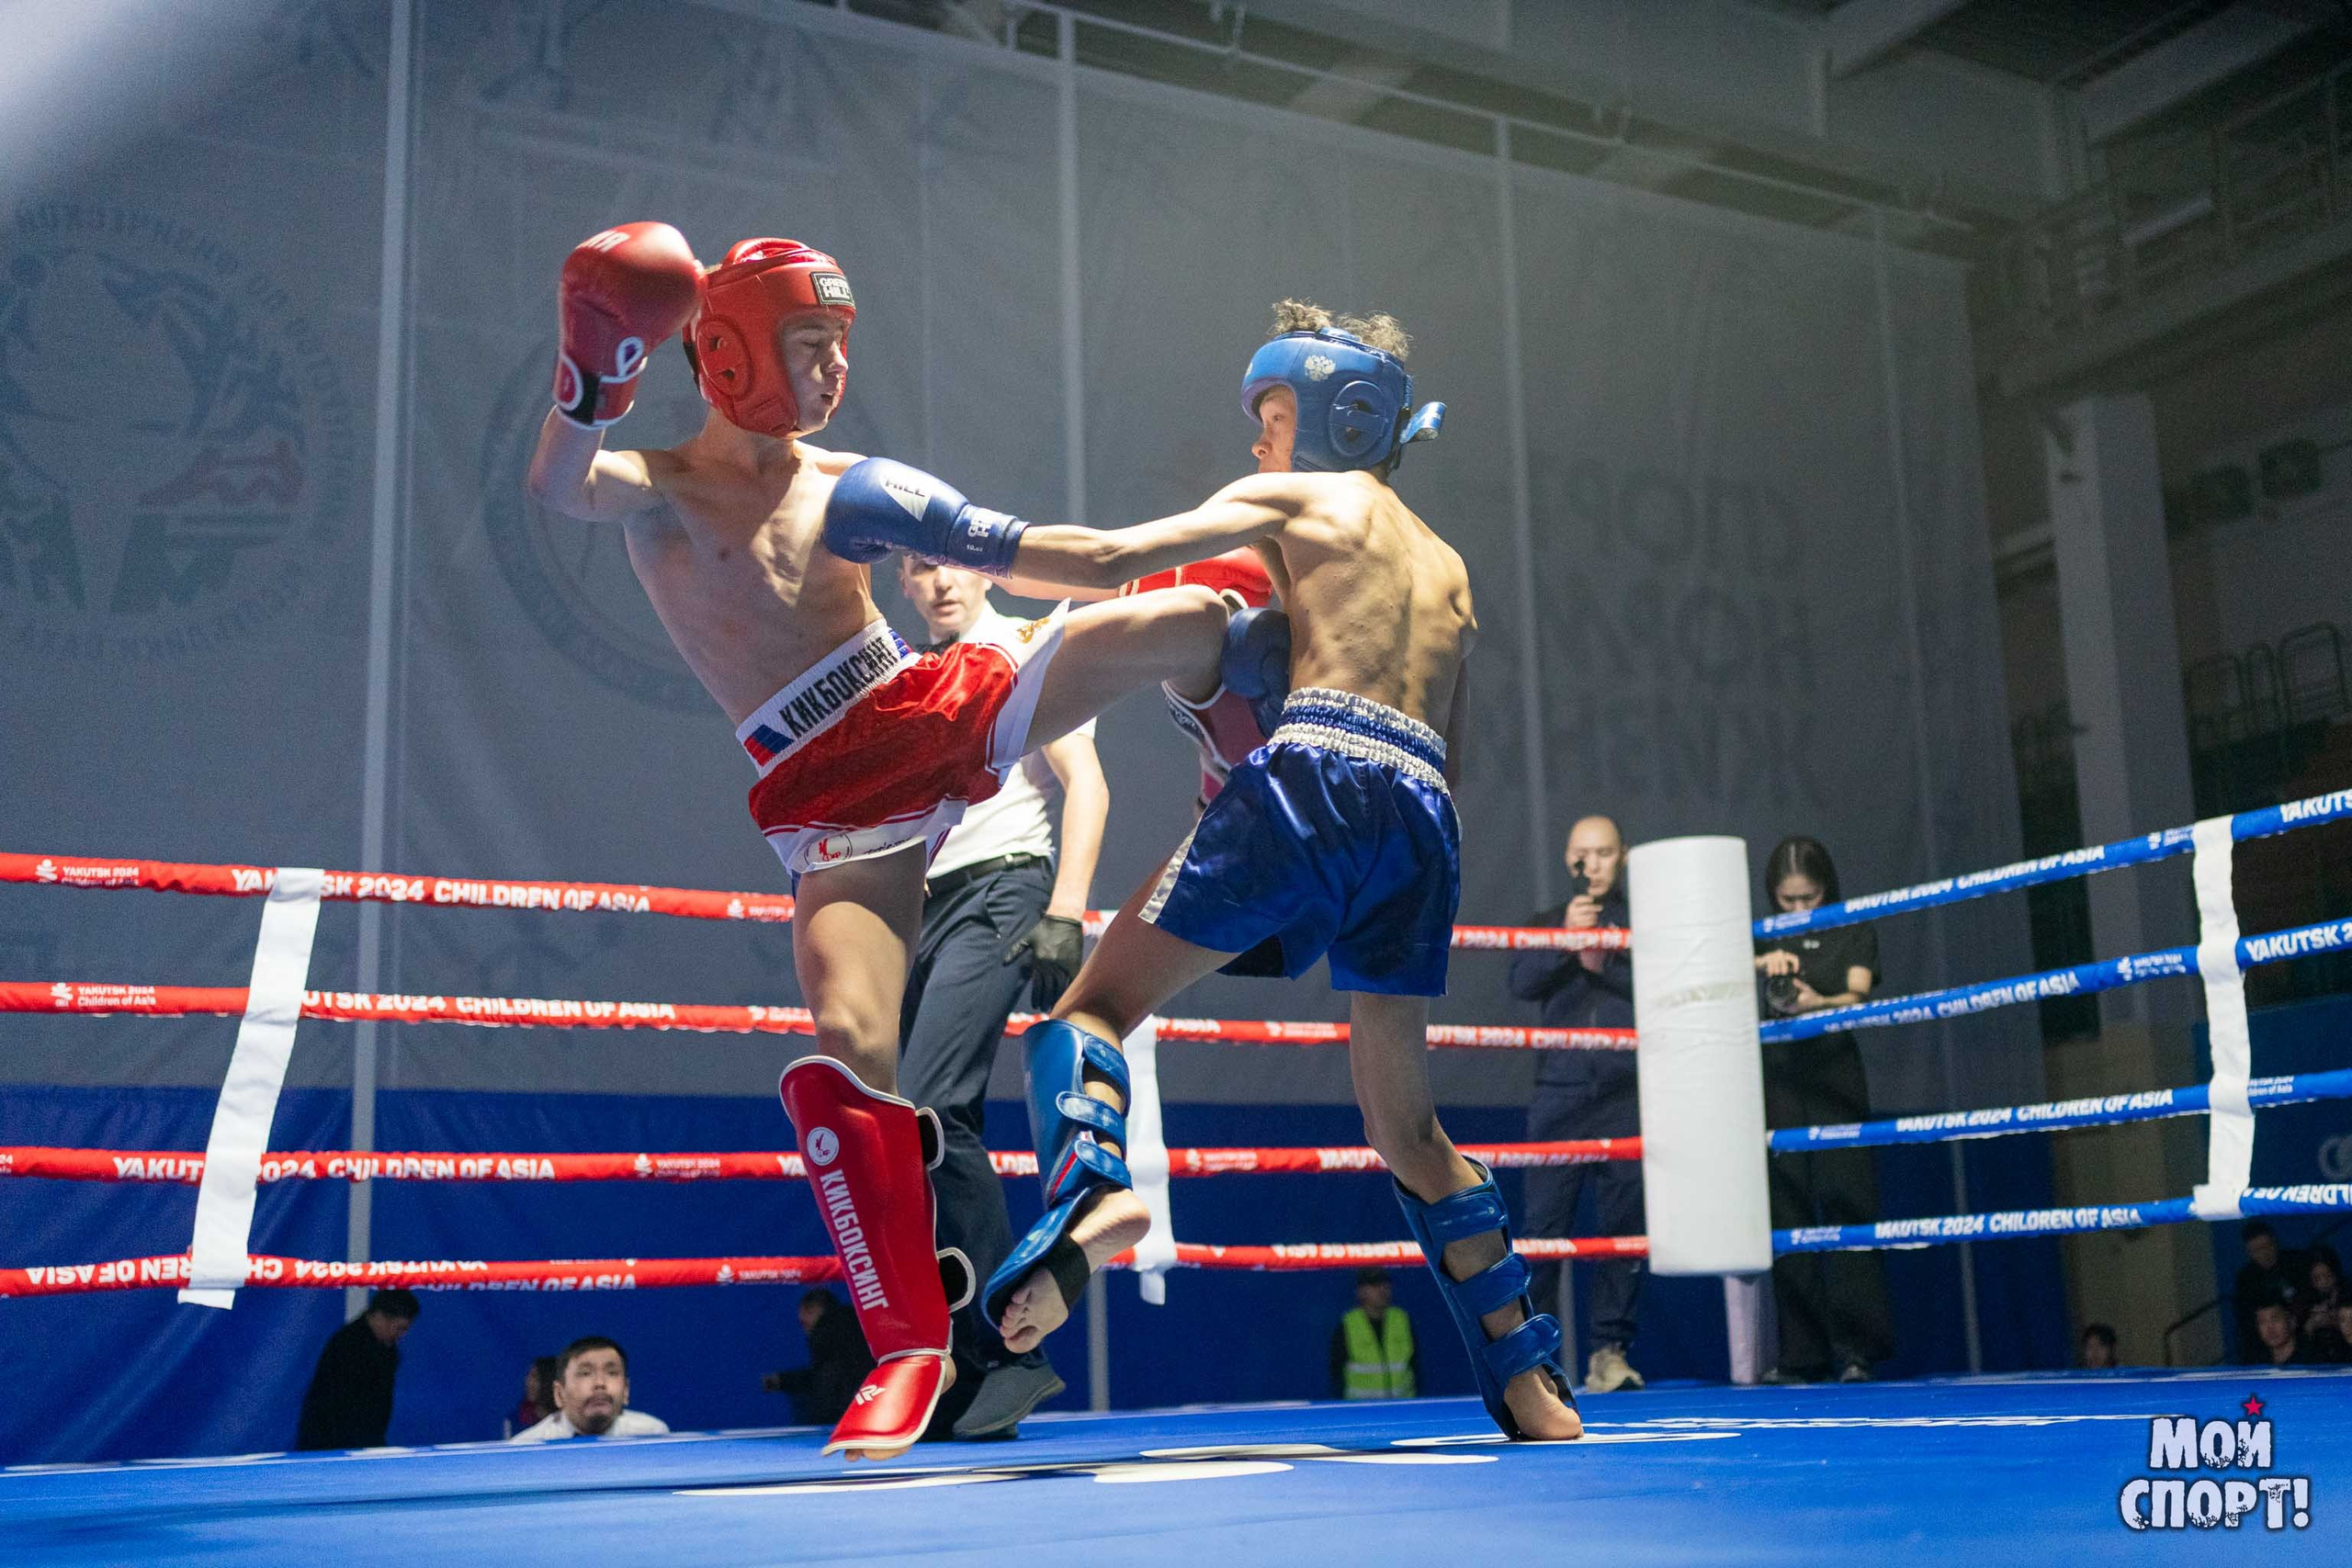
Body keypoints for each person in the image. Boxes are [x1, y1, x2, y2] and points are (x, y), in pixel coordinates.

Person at [525, 225, 1266, 1461]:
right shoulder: (656, 488)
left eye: (837, 347)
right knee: (851, 1064)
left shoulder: (850, 481)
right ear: (730, 353)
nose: (830, 372)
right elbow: (559, 482)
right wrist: (590, 367)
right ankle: (913, 1343)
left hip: (925, 707)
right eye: (808, 344)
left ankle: (1240, 745)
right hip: (824, 796)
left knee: (1195, 608)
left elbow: (1055, 558)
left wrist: (1199, 531)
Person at [822, 299, 1581, 1440]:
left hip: (1313, 768)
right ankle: (1531, 1387)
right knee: (1406, 1128)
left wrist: (955, 532)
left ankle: (1093, 1193)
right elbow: (1450, 760)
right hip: (1422, 820)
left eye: (1271, 416)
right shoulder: (1453, 567)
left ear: (1333, 414)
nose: (1258, 443)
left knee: (1088, 1015)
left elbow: (1116, 558)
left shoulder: (1304, 497)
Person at [889, 556, 1105, 1437]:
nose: (936, 580)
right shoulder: (905, 674)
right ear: (899, 581)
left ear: (981, 571)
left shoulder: (1023, 646)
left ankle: (1010, 1354)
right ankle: (961, 1365)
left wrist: (1065, 912)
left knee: (938, 1112)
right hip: (921, 903)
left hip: (1006, 884)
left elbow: (1086, 782)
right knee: (904, 1129)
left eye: (949, 562)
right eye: (915, 565)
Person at [1506, 815, 1644, 1394]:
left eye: (1605, 852)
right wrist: (1565, 938)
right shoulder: (1545, 921)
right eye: (1584, 853)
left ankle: (1609, 1353)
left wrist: (1609, 956)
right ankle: (1534, 1364)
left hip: (1624, 1095)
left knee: (1623, 1230)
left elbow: (1664, 987)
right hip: (1558, 1096)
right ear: (1569, 860)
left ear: (1622, 856)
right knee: (1543, 1233)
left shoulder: (1643, 924)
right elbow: (1519, 981)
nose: (1594, 863)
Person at [1752, 836, 1892, 1383]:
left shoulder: (1852, 925)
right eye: (1787, 900)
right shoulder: (1760, 936)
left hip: (1835, 1069)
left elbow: (1859, 999)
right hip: (1780, 1073)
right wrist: (1760, 963)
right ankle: (1801, 1356)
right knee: (1786, 1212)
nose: (1797, 910)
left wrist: (1816, 1004)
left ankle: (1860, 1349)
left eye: (1807, 898)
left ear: (1825, 888)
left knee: (1848, 1203)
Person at [292, 1289, 419, 1450]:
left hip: (362, 1440)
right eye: (400, 1328)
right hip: (333, 1442)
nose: (402, 1334)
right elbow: (338, 1406)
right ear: (380, 1317)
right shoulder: (348, 1346)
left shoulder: (386, 1348)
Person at [509, 1337, 670, 1440]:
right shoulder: (529, 1446)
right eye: (585, 1373)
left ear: (626, 1390)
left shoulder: (653, 1435)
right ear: (559, 1394)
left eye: (612, 1372)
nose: (600, 1383)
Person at [763, 1288, 876, 1427]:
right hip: (875, 1409)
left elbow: (824, 1380)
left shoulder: (824, 1333)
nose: (805, 1328)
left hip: (844, 1418)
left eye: (803, 1322)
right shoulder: (863, 1326)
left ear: (811, 1309)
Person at [1329, 1266, 1418, 1401]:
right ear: (1361, 1291)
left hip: (1402, 1407)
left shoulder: (1402, 1319)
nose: (1382, 1289)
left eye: (1385, 1284)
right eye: (1374, 1285)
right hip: (1361, 1411)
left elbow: (1415, 1366)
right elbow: (1335, 1374)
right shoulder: (1348, 1324)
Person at [2232, 1221, 2307, 1362]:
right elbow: (2244, 1319)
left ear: (2275, 1242)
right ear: (2249, 1252)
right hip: (2263, 1349)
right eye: (2256, 1250)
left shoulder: (2296, 1263)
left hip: (2302, 1338)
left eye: (2267, 1246)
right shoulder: (2246, 1279)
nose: (2264, 1253)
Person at [507, 1354, 561, 1438]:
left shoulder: (567, 1421)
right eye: (528, 1376)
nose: (529, 1383)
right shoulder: (515, 1421)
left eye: (535, 1377)